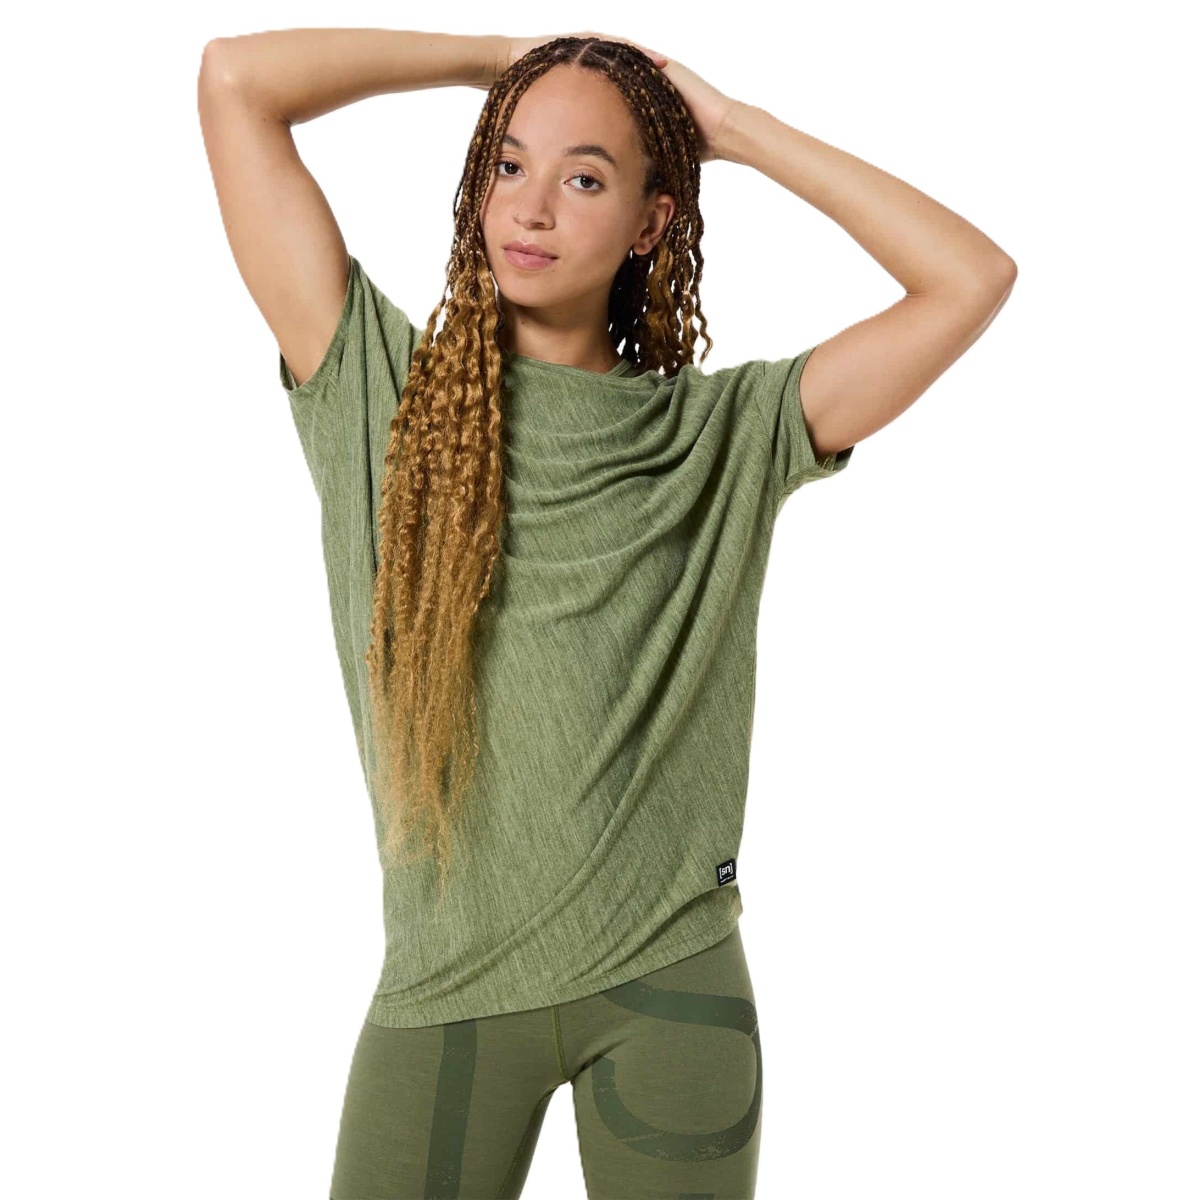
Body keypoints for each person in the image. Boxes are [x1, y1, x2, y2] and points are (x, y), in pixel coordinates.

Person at [198, 28, 1016, 1198]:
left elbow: (970, 278)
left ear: (649, 223)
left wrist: (732, 130)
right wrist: (497, 59)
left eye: (584, 178)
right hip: (446, 988)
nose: (531, 207)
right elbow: (235, 81)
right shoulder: (383, 394)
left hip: (670, 988)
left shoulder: (720, 438)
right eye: (508, 164)